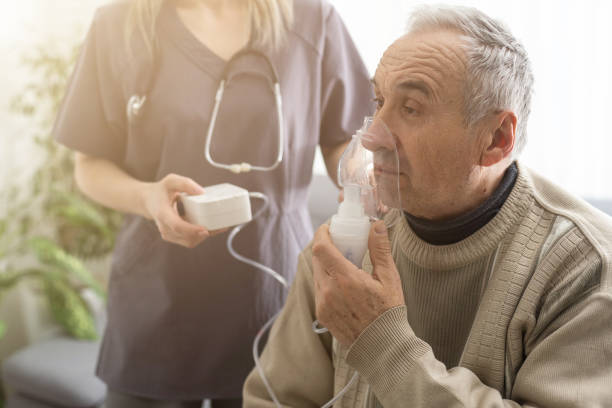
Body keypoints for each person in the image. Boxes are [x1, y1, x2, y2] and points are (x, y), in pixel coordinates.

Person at [243, 5, 612, 407]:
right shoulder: (346, 246)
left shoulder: (585, 269)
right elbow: (273, 398)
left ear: (495, 139)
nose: (372, 137)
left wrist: (382, 343)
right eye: (379, 100)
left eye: (411, 108)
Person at [53, 0, 373, 406]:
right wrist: (147, 198)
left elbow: (345, 136)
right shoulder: (118, 23)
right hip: (156, 301)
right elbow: (89, 164)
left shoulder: (311, 19)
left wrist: (358, 175)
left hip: (272, 293)